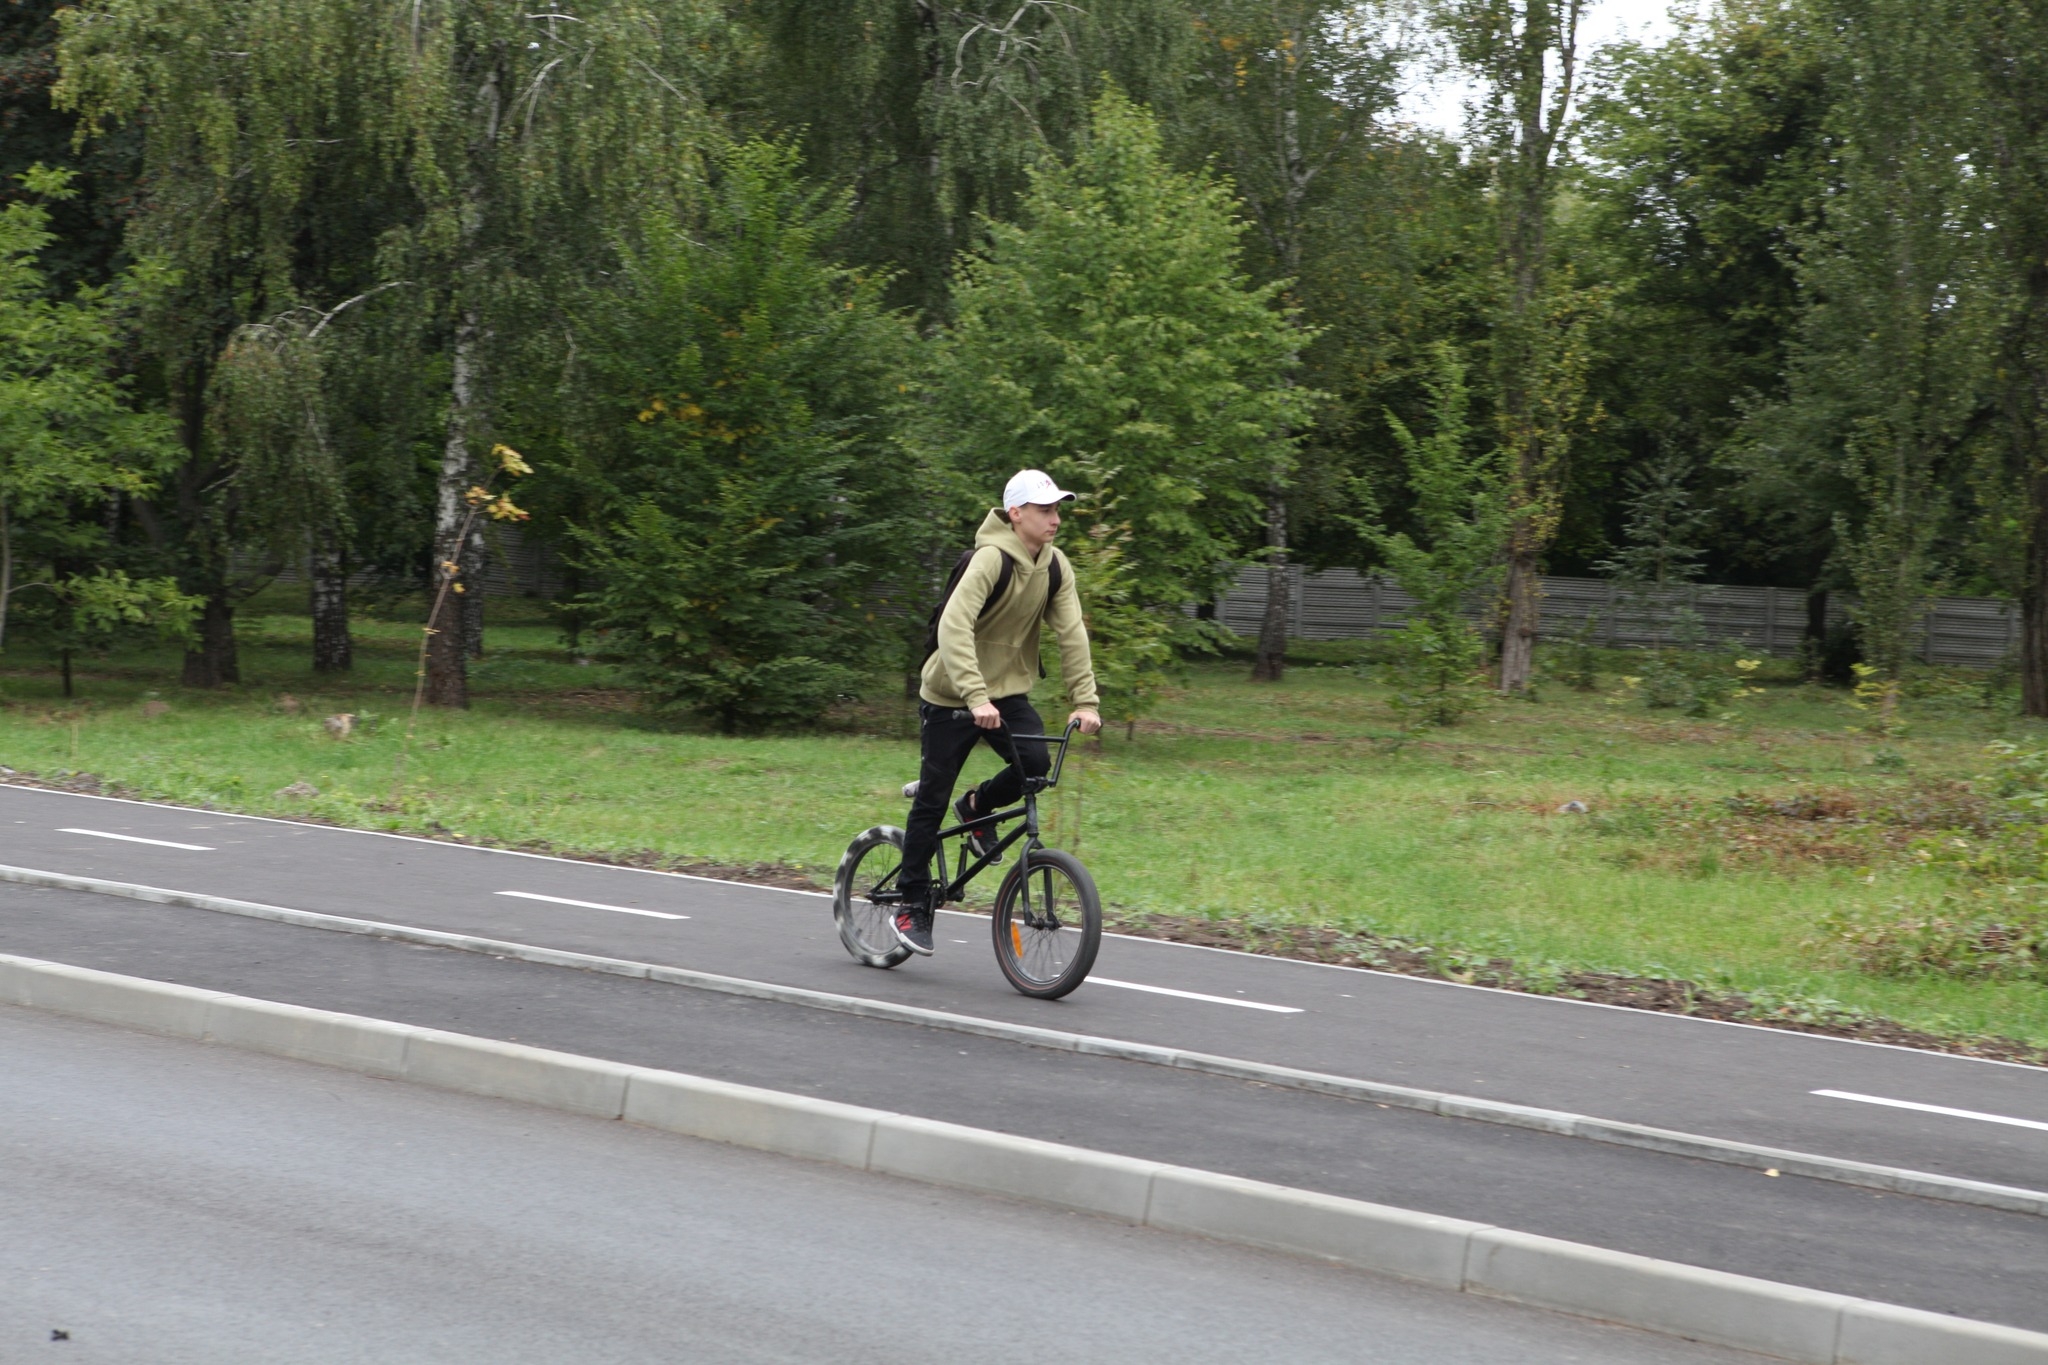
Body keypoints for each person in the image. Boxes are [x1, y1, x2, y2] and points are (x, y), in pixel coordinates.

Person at [895, 470, 1104, 954]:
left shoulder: (1055, 567)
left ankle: (976, 807)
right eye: (1045, 510)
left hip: (1005, 692)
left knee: (1034, 766)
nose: (1055, 519)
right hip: (951, 694)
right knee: (930, 798)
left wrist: (1086, 701)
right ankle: (910, 904)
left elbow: (1072, 634)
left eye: (1057, 510)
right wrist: (974, 697)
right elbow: (954, 627)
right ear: (1016, 514)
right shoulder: (990, 559)